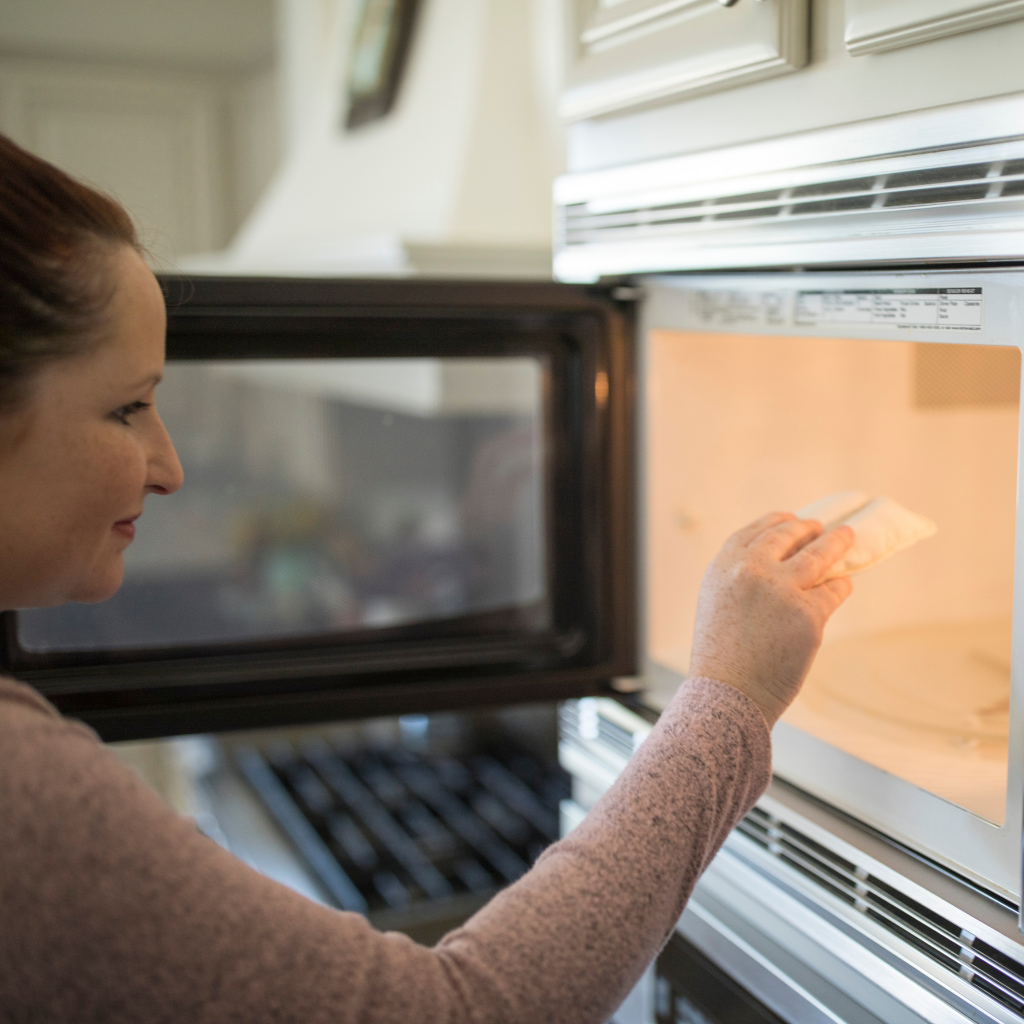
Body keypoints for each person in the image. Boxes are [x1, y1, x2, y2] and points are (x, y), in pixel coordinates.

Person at [0, 133, 855, 1024]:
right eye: (127, 406)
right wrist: (729, 697)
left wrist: (482, 536)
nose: (169, 467)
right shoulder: (22, 791)